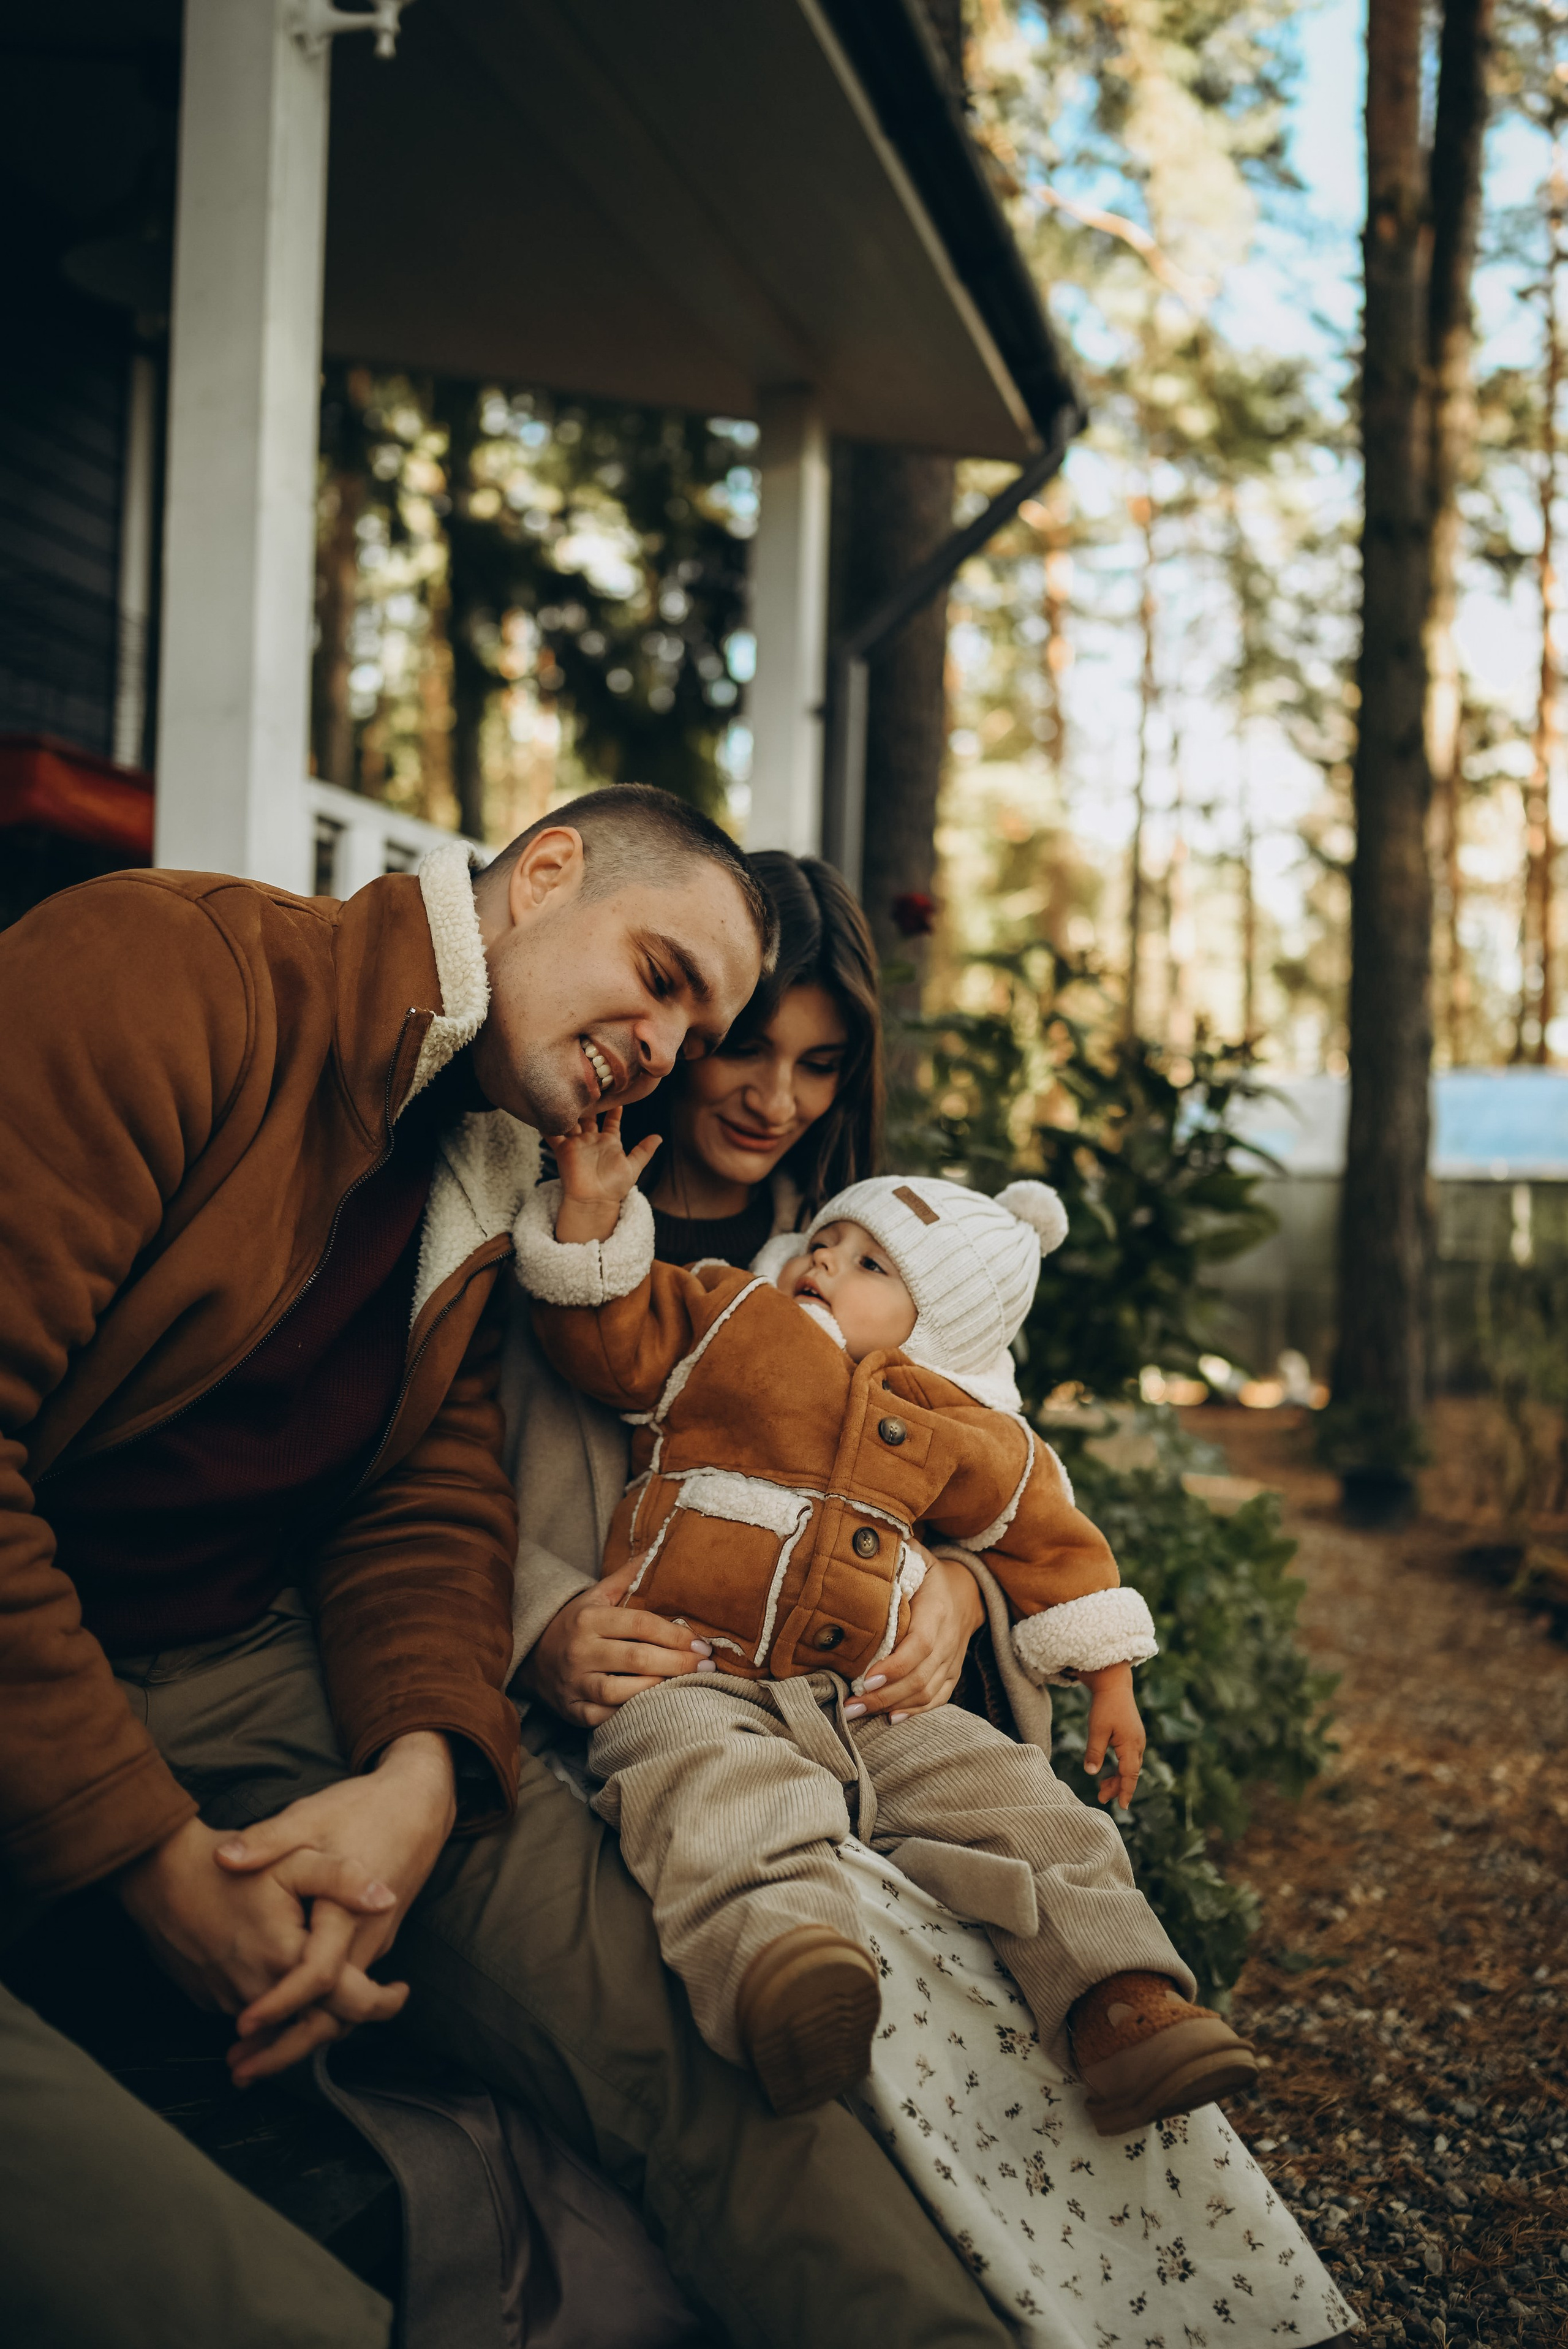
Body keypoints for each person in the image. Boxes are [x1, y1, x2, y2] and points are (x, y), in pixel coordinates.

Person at [0, 790, 1016, 2349]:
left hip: (252, 1654)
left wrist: (420, 1765)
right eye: (664, 975)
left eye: (709, 1027)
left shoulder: (490, 1160)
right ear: (544, 875)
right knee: (198, 2267)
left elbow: (413, 1494)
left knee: (668, 2025)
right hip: (51, 1655)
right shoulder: (168, 969)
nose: (674, 1050)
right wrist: (148, 1855)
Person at [513, 1131, 1259, 2134]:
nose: (826, 1264)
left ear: (938, 1326)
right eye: (827, 1242)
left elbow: (1053, 1546)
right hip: (693, 1669)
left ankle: (1122, 2002)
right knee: (715, 1792)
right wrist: (591, 1220)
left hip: (880, 1703)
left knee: (1023, 1802)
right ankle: (787, 1977)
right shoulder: (732, 1320)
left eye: (873, 1265)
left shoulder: (965, 1429)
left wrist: (1111, 1677)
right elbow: (608, 1334)